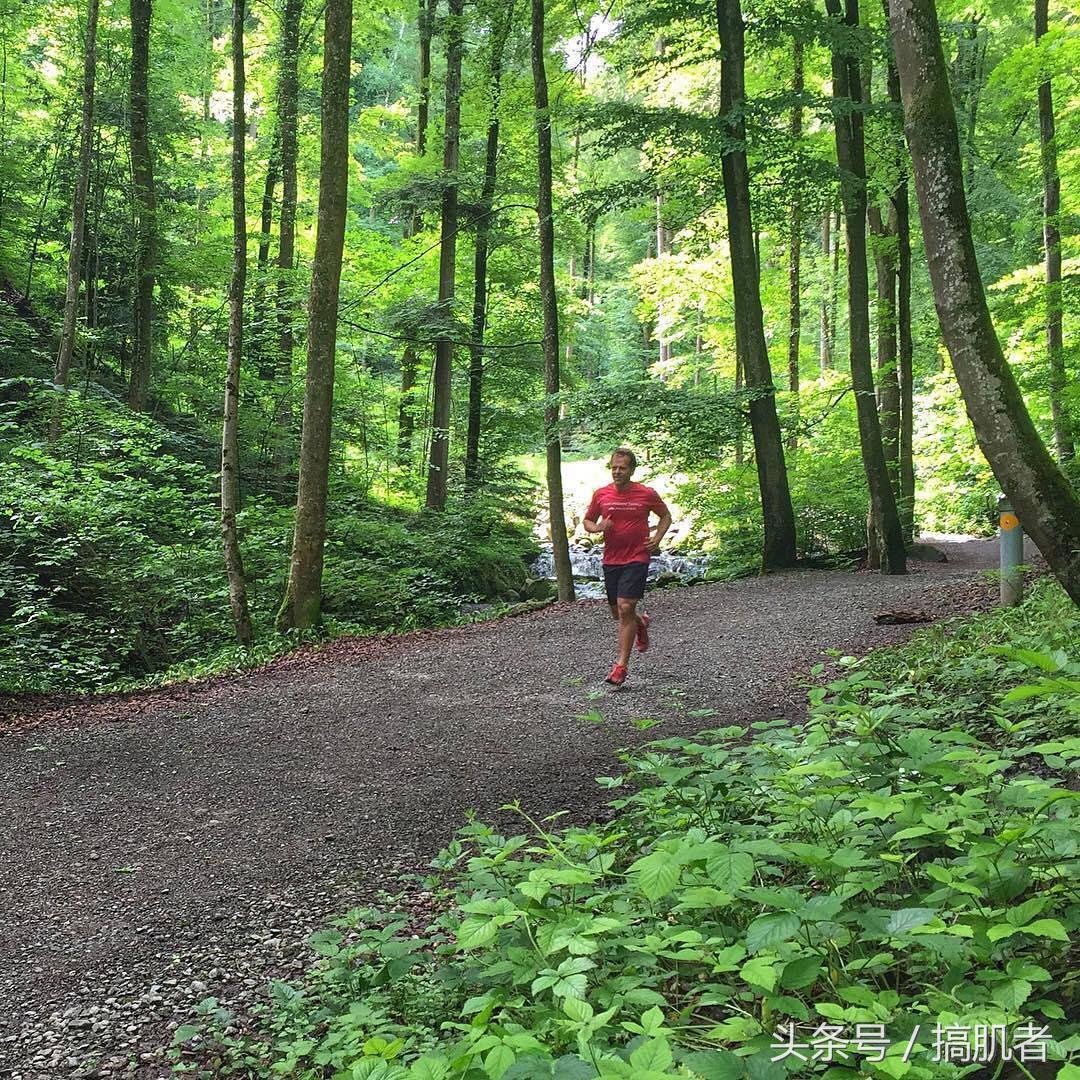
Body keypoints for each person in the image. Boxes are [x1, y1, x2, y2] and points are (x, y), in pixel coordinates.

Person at [583, 447, 672, 686]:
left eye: (622, 468)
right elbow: (588, 521)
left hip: (637, 556)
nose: (617, 472)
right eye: (614, 468)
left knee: (625, 607)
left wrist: (657, 538)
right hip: (612, 559)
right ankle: (640, 623)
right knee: (618, 613)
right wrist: (598, 528)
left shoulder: (646, 493)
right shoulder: (601, 494)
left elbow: (666, 516)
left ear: (631, 470)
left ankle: (620, 667)